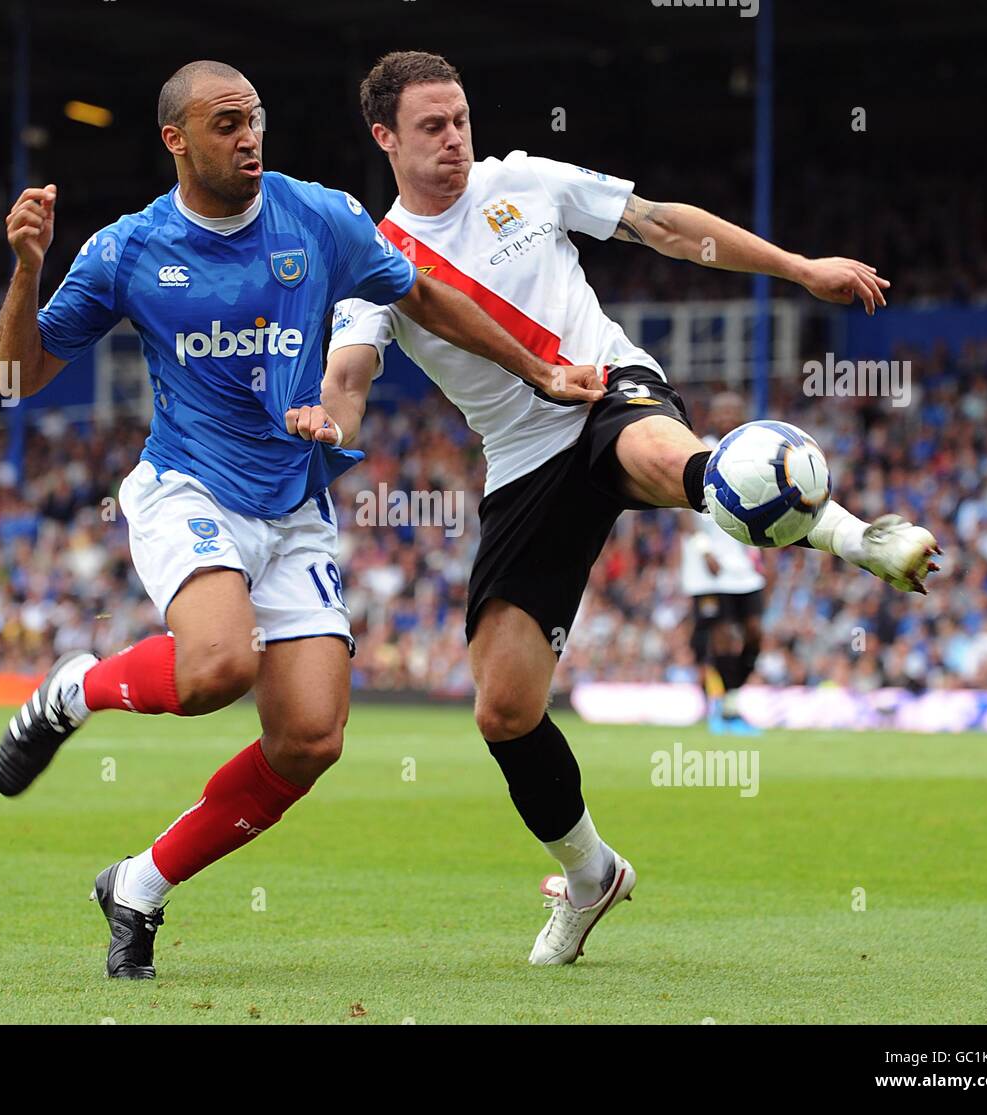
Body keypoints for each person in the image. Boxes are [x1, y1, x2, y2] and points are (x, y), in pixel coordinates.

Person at [310, 50, 940, 965]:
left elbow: (662, 226)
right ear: (385, 138)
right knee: (504, 709)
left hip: (610, 390)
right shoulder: (375, 260)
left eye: (461, 120)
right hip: (523, 461)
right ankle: (593, 871)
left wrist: (800, 268)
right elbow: (349, 375)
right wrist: (329, 428)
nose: (455, 140)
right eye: (431, 128)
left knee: (671, 455)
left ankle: (852, 532)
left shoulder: (523, 180)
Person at [0, 59, 603, 980]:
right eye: (226, 123)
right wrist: (27, 271)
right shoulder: (127, 249)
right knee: (218, 664)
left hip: (294, 506)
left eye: (256, 120)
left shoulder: (318, 216)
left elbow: (425, 294)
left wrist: (539, 368)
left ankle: (138, 886)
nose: (248, 138)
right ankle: (77, 688)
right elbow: (17, 376)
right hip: (189, 489)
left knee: (310, 738)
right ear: (177, 140)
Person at [681, 393, 767, 735]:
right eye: (723, 410)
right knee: (720, 634)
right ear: (712, 416)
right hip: (708, 568)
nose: (729, 415)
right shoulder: (699, 451)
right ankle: (725, 708)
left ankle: (729, 698)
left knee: (754, 634)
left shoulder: (756, 453)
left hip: (744, 567)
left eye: (735, 410)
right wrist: (704, 550)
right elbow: (683, 512)